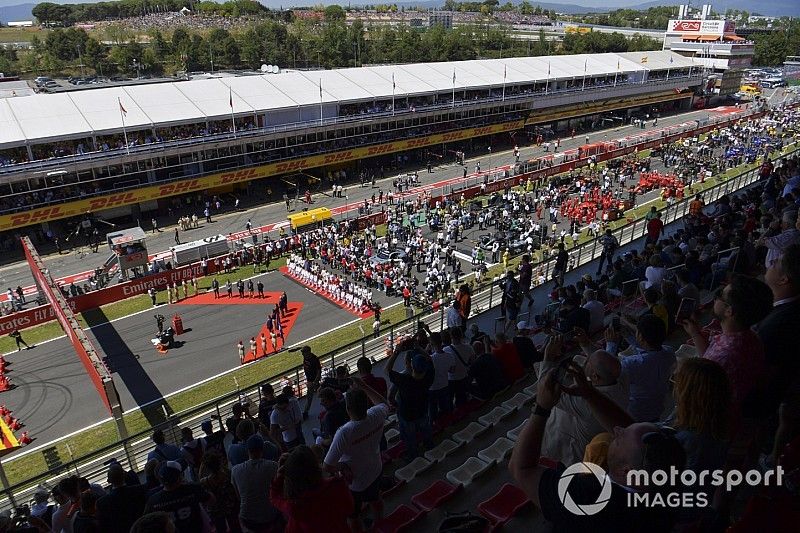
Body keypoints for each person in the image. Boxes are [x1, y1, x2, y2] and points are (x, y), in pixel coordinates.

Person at [509, 359, 686, 532]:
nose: (616, 429)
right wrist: (589, 393)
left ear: (627, 472)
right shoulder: (666, 489)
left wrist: (541, 408)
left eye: (619, 438)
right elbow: (635, 437)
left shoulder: (586, 496)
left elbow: (520, 468)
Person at [682, 275, 773, 407]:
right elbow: (709, 361)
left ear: (729, 311)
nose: (716, 297)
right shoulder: (749, 337)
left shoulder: (723, 357)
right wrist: (695, 333)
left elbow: (698, 401)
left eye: (720, 295)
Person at [541, 333, 628, 465]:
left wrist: (548, 357)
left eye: (587, 362)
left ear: (595, 377)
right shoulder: (620, 381)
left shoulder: (585, 402)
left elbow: (546, 390)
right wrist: (586, 344)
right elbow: (604, 363)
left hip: (568, 451)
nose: (584, 362)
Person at [324, 382, 389, 531]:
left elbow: (327, 466)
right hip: (376, 469)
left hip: (356, 482)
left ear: (347, 409)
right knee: (375, 498)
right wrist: (363, 385)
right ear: (367, 403)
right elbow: (383, 403)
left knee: (353, 515)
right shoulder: (376, 414)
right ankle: (379, 524)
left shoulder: (345, 432)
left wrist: (342, 466)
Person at [604, 314, 676, 422]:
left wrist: (611, 345)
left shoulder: (631, 364)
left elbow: (605, 371)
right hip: (657, 409)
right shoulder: (669, 352)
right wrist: (628, 336)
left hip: (635, 415)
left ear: (641, 337)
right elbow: (651, 350)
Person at [272, 446, 354, 533]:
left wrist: (279, 477)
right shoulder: (337, 485)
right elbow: (350, 509)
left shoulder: (295, 507)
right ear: (316, 465)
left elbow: (274, 497)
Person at [386, 344, 434, 460]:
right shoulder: (429, 376)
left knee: (409, 437)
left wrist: (396, 352)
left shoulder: (404, 379)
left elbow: (387, 370)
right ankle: (429, 445)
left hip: (407, 415)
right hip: (422, 410)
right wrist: (418, 347)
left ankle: (413, 454)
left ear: (411, 366)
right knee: (425, 428)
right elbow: (430, 360)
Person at [144, 461, 215, 533]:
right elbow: (211, 500)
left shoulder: (153, 500)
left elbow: (146, 523)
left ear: (161, 480)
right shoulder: (193, 489)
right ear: (180, 477)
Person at [230, 434, 282, 533]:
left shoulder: (235, 470)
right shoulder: (274, 466)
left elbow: (239, 497)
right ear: (262, 449)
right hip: (270, 516)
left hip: (248, 519)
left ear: (247, 450)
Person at [95, 463, 147, 533]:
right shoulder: (140, 490)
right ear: (124, 476)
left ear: (109, 480)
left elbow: (103, 527)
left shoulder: (101, 503)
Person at [444, 326, 475, 407]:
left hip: (450, 380)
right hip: (463, 378)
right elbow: (472, 362)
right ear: (461, 335)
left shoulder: (445, 350)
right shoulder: (469, 348)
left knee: (449, 400)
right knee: (461, 400)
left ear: (451, 336)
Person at [428, 331, 455, 422]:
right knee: (445, 408)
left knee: (432, 410)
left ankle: (434, 427)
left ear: (431, 344)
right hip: (445, 385)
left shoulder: (431, 358)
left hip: (432, 389)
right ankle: (447, 423)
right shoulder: (450, 356)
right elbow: (452, 371)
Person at [301, 346, 322, 420]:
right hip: (310, 381)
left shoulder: (314, 359)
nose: (302, 354)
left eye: (303, 352)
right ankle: (306, 412)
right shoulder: (307, 357)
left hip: (313, 381)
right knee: (311, 397)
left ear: (308, 352)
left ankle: (305, 412)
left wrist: (315, 382)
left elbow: (319, 371)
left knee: (314, 396)